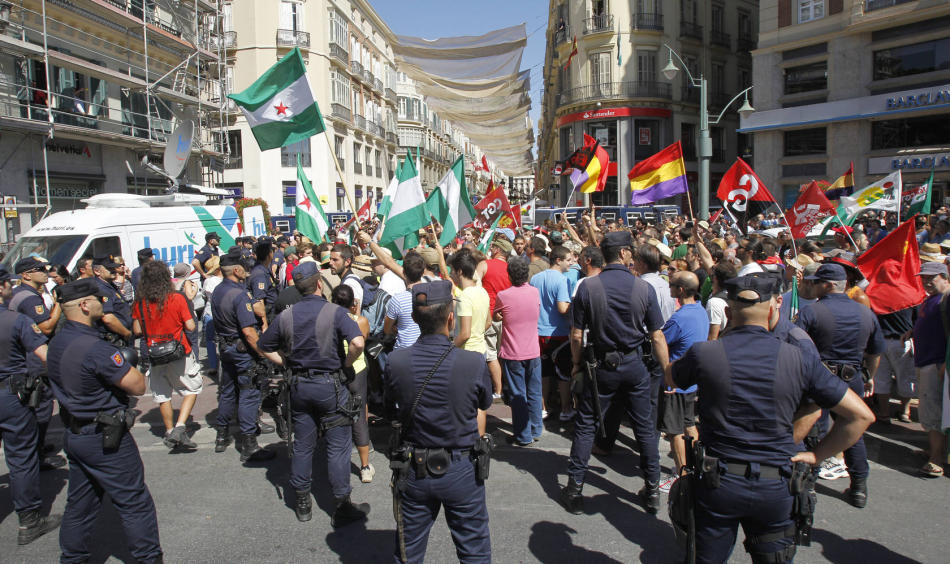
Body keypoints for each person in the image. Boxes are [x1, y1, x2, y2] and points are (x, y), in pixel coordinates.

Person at [669, 274, 874, 563]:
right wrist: (817, 455)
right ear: (772, 309)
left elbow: (671, 375)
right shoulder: (799, 357)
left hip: (719, 482)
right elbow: (860, 415)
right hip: (776, 483)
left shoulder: (705, 353)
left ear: (728, 313)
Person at [47, 278, 163, 564]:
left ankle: (72, 558)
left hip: (76, 433)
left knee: (80, 504)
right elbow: (136, 386)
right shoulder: (95, 347)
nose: (104, 302)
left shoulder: (59, 341)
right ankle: (149, 559)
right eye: (98, 299)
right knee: (134, 503)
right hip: (105, 436)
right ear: (85, 305)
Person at [561, 231, 670, 515]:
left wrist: (575, 364)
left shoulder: (588, 287)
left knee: (586, 425)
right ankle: (653, 489)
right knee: (644, 426)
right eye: (630, 250)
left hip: (600, 365)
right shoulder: (643, 289)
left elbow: (576, 335)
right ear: (623, 254)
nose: (633, 254)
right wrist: (667, 370)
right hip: (634, 364)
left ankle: (575, 488)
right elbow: (657, 336)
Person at [385, 280, 493, 563]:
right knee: (474, 550)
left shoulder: (396, 361)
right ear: (449, 318)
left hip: (414, 467)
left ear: (416, 319)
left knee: (408, 551)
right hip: (461, 467)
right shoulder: (473, 362)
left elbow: (389, 406)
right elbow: (483, 404)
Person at [258, 261, 369, 526]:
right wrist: (346, 363)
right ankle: (341, 504)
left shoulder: (287, 315)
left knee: (303, 444)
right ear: (319, 283)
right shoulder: (335, 312)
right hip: (330, 385)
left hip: (299, 386)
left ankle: (303, 501)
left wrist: (284, 363)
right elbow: (357, 342)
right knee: (338, 445)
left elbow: (263, 345)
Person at [796, 263, 884, 507]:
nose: (811, 286)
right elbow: (875, 352)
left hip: (819, 377)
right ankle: (859, 486)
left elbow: (796, 347)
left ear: (827, 285)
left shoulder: (811, 312)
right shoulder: (866, 313)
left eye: (815, 282)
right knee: (850, 428)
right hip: (851, 376)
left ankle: (809, 483)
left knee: (816, 428)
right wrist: (868, 376)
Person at [0, 265, 62, 545]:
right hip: (11, 395)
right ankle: (30, 520)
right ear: (2, 287)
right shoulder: (16, 321)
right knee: (21, 456)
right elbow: (44, 353)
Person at [210, 248, 276, 462]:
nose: (246, 270)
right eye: (243, 267)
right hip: (241, 350)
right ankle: (249, 442)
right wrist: (263, 353)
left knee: (228, 391)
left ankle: (222, 434)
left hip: (226, 348)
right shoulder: (239, 295)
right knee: (249, 393)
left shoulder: (219, 290)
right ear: (236, 270)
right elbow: (248, 332)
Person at [132, 261, 203, 451]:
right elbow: (190, 326)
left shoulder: (140, 302)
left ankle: (169, 429)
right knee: (192, 388)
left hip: (154, 351)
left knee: (162, 394)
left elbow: (137, 330)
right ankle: (180, 426)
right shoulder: (177, 298)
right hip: (178, 349)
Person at [10, 257, 66, 470]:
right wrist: (59, 304)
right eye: (40, 269)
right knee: (42, 406)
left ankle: (37, 447)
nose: (46, 272)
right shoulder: (29, 299)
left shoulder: (26, 294)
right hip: (34, 360)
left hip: (29, 358)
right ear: (26, 275)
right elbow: (46, 328)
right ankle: (37, 453)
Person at [657, 271, 708, 491]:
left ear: (680, 290)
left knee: (674, 430)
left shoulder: (680, 317)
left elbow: (661, 341)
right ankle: (697, 466)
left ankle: (682, 475)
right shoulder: (701, 311)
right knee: (689, 425)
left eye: (672, 284)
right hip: (692, 380)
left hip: (676, 381)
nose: (669, 287)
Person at [331, 283, 375, 484]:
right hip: (357, 370)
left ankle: (338, 459)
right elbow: (362, 340)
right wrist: (355, 312)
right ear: (353, 303)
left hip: (337, 371)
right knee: (359, 417)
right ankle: (365, 466)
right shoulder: (361, 321)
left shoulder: (329, 320)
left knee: (337, 414)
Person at [495, 257, 542, 446]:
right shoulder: (535, 292)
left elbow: (497, 316)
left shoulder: (504, 295)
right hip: (533, 350)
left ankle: (523, 435)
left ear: (509, 275)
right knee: (534, 391)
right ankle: (535, 428)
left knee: (518, 394)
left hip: (513, 352)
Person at [911, 261, 950, 477]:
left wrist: (946, 362)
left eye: (931, 278)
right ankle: (934, 450)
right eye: (923, 278)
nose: (926, 282)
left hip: (936, 363)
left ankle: (936, 458)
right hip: (926, 360)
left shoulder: (947, 298)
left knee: (934, 411)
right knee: (930, 408)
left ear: (944, 276)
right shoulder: (932, 299)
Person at [530, 245, 574, 421]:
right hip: (558, 333)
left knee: (544, 373)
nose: (571, 263)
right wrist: (576, 305)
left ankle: (543, 407)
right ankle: (565, 409)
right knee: (563, 375)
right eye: (568, 260)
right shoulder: (562, 280)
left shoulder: (535, 279)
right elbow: (563, 308)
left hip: (539, 332)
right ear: (558, 260)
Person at [92, 256, 133, 345]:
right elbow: (108, 318)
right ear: (97, 271)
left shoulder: (109, 284)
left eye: (113, 267)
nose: (113, 270)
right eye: (109, 268)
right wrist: (126, 333)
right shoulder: (101, 289)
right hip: (116, 338)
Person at [202, 256, 223, 376]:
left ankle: (213, 365)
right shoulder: (225, 280)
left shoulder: (208, 281)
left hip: (210, 312)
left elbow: (205, 295)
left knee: (210, 340)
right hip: (221, 313)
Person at [248, 241, 278, 320]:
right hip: (268, 314)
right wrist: (264, 325)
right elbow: (260, 300)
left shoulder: (264, 269)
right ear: (269, 255)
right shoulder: (260, 273)